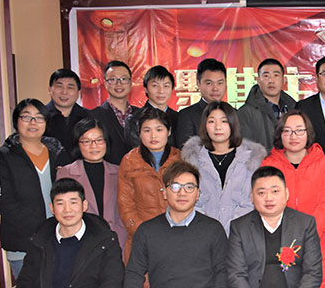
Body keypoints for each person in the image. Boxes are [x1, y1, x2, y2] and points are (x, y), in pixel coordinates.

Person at [261, 109, 325, 288]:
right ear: (280, 134)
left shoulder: (323, 164)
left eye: (299, 131)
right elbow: (265, 203)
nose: (293, 136)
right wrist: (286, 237)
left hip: (317, 245)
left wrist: (307, 237)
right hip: (279, 247)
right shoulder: (269, 164)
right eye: (287, 131)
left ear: (308, 133)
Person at [0, 98, 69, 278]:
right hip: (23, 243)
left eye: (39, 118)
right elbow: (2, 202)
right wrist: (42, 228)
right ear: (16, 121)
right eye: (26, 117)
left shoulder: (57, 151)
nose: (33, 122)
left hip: (59, 240)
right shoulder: (3, 156)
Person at [181, 101, 267, 235]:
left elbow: (250, 202)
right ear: (204, 125)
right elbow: (191, 202)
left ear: (233, 124)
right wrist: (212, 231)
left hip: (241, 235)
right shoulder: (192, 161)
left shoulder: (251, 160)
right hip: (203, 235)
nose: (218, 127)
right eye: (211, 121)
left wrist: (231, 231)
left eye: (224, 121)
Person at [117, 107, 182, 261]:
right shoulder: (129, 161)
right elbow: (125, 205)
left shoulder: (181, 159)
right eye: (147, 130)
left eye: (159, 129)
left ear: (169, 131)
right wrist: (143, 233)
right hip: (142, 239)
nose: (153, 136)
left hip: (178, 236)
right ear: (139, 133)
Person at [57, 117, 127, 247]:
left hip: (116, 242)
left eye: (99, 140)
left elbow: (125, 210)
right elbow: (63, 212)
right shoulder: (66, 173)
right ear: (77, 144)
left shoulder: (120, 172)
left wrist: (118, 237)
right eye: (86, 141)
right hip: (82, 244)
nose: (93, 146)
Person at [239, 58, 297, 151]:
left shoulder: (294, 109)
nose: (271, 80)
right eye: (266, 76)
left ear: (284, 80)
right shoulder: (245, 113)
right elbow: (246, 151)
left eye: (276, 75)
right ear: (258, 80)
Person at [90, 60, 138, 165]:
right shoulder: (93, 116)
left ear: (130, 83)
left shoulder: (141, 115)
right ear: (105, 84)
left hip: (139, 172)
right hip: (107, 173)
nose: (119, 84)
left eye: (123, 79)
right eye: (113, 79)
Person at [175, 58, 227, 147]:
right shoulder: (187, 115)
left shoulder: (234, 113)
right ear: (198, 84)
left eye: (220, 83)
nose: (215, 88)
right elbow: (186, 150)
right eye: (209, 83)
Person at [124, 65, 178, 149]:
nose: (161, 91)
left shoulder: (178, 117)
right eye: (155, 86)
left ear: (172, 89)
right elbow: (135, 152)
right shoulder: (134, 119)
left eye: (166, 86)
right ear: (146, 89)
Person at [44, 68, 89, 159]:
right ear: (49, 89)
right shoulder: (39, 117)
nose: (64, 92)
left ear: (78, 93)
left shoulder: (89, 118)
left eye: (70, 87)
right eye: (59, 86)